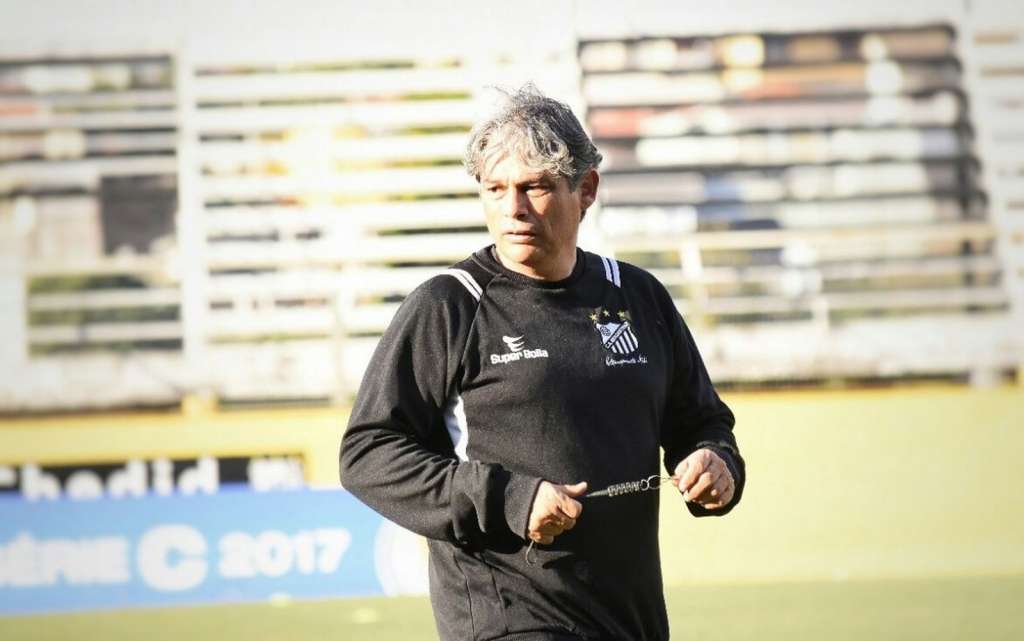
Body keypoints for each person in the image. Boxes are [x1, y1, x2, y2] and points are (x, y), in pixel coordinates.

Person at [339, 85, 745, 641]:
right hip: (509, 619)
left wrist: (715, 461)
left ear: (586, 190)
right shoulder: (449, 305)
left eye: (536, 187)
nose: (513, 209)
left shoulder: (639, 295)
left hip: (631, 620)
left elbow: (700, 420)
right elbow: (367, 453)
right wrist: (509, 498)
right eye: (495, 188)